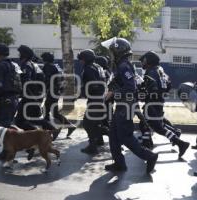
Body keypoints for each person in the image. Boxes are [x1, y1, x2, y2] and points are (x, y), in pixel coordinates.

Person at [102, 37, 158, 174]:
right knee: (113, 135)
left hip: (126, 107)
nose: (111, 55)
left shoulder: (124, 65)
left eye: (112, 52)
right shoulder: (121, 64)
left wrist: (114, 91)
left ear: (118, 51)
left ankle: (150, 156)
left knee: (125, 136)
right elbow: (118, 84)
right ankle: (119, 163)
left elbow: (130, 86)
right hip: (122, 106)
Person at [138, 51, 189, 157]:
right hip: (159, 101)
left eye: (144, 60)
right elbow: (168, 84)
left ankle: (180, 143)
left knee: (158, 127)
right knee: (144, 123)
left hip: (152, 103)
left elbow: (152, 89)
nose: (142, 62)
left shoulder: (151, 72)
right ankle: (146, 142)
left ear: (149, 61)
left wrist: (142, 93)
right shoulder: (160, 70)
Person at [41, 52, 76, 139]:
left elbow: (47, 80)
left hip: (52, 92)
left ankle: (48, 132)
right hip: (56, 91)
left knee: (47, 112)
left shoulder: (48, 66)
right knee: (53, 112)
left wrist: (42, 89)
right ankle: (69, 126)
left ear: (45, 59)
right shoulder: (56, 66)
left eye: (43, 59)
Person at [78, 49, 107, 154]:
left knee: (87, 123)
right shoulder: (98, 66)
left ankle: (93, 146)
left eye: (81, 59)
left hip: (94, 100)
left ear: (85, 59)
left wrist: (83, 92)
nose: (80, 61)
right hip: (100, 98)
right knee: (96, 123)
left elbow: (93, 85)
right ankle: (99, 141)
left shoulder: (88, 68)